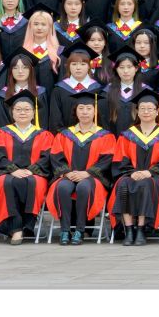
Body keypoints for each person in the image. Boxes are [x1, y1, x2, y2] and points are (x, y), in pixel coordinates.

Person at [45, 94, 119, 245]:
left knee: (84, 187)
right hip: (68, 175)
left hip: (93, 178)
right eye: (81, 108)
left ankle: (80, 230)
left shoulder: (105, 136)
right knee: (63, 187)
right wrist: (67, 172)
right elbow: (56, 156)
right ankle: (65, 230)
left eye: (89, 108)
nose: (85, 112)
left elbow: (107, 159)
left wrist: (88, 173)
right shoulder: (64, 135)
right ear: (75, 111)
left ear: (95, 112)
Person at [112, 92, 159, 245]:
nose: (146, 112)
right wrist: (132, 173)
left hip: (157, 178)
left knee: (145, 184)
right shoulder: (127, 135)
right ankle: (129, 229)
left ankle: (141, 229)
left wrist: (150, 172)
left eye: (150, 108)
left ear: (157, 111)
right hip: (131, 175)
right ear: (137, 111)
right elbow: (120, 159)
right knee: (123, 184)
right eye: (142, 108)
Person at [0, 93, 51, 245]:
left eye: (27, 109)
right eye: (18, 109)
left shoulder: (44, 135)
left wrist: (31, 170)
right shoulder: (0, 133)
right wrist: (13, 170)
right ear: (12, 112)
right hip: (5, 173)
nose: (22, 112)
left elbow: (47, 157)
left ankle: (27, 226)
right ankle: (15, 228)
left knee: (33, 182)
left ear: (34, 113)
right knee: (7, 182)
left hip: (34, 173)